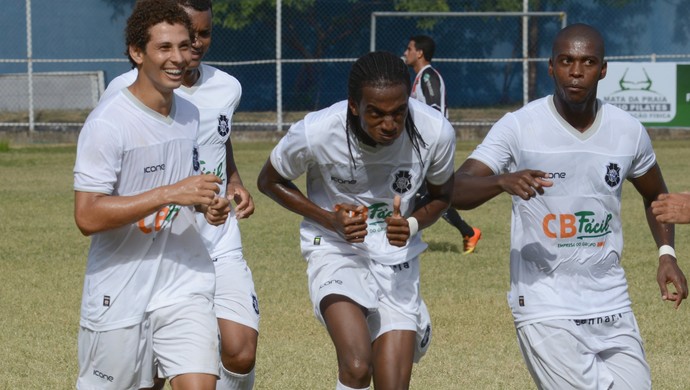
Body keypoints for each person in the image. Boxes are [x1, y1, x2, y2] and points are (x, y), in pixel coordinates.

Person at [451, 23, 688, 389]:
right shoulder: (519, 126)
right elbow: (455, 188)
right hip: (545, 302)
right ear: (550, 66)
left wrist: (667, 253)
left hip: (610, 299)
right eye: (566, 61)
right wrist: (501, 181)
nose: (576, 72)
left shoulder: (627, 130)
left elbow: (657, 196)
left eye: (588, 62)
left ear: (604, 69)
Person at [257, 51, 455, 390]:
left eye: (398, 112)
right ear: (354, 106)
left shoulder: (435, 132)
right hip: (335, 248)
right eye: (375, 113)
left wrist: (410, 225)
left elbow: (442, 197)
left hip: (396, 260)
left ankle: (412, 319)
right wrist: (327, 219)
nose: (389, 124)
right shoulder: (318, 131)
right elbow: (269, 181)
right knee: (357, 364)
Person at [101, 1, 259, 389]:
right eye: (189, 35)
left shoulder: (227, 87)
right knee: (153, 371)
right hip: (162, 246)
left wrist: (234, 181)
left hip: (218, 239)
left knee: (240, 350)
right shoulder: (122, 91)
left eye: (204, 34)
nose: (197, 44)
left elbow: (218, 140)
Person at [403, 34, 481, 254]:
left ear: (419, 53)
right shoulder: (420, 77)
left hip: (431, 146)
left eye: (409, 49)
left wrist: (426, 142)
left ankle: (466, 232)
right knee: (424, 192)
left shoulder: (428, 77)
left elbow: (434, 111)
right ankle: (467, 232)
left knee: (428, 193)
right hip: (422, 145)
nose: (405, 53)